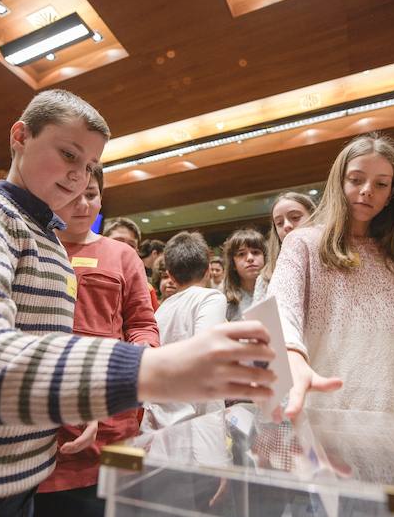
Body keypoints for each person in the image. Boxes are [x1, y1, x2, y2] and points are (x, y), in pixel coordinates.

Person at [0, 89, 276, 517]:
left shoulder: (51, 246)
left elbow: (47, 350)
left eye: (90, 167)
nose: (80, 177)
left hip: (17, 479)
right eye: (69, 154)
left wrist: (83, 400)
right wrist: (156, 371)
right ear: (20, 137)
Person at [268, 133, 394, 431]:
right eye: (356, 180)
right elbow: (279, 308)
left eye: (380, 184)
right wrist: (291, 353)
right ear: (339, 181)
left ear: (392, 192)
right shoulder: (303, 243)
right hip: (332, 409)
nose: (367, 191)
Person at [35, 166, 159, 516]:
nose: (83, 204)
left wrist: (143, 356)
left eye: (91, 194)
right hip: (45, 417)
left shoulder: (123, 255)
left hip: (115, 417)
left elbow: (142, 323)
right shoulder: (37, 247)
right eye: (74, 196)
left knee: (122, 505)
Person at [142, 232, 228, 431]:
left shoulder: (161, 309)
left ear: (170, 275)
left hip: (159, 415)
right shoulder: (211, 298)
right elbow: (204, 354)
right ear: (208, 270)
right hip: (197, 417)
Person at [254, 192, 316, 302]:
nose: (286, 226)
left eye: (295, 217)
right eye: (279, 223)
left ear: (314, 218)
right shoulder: (265, 277)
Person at [223, 229, 266, 322]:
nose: (250, 258)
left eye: (255, 252)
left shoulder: (276, 289)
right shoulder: (224, 301)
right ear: (233, 264)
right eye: (241, 254)